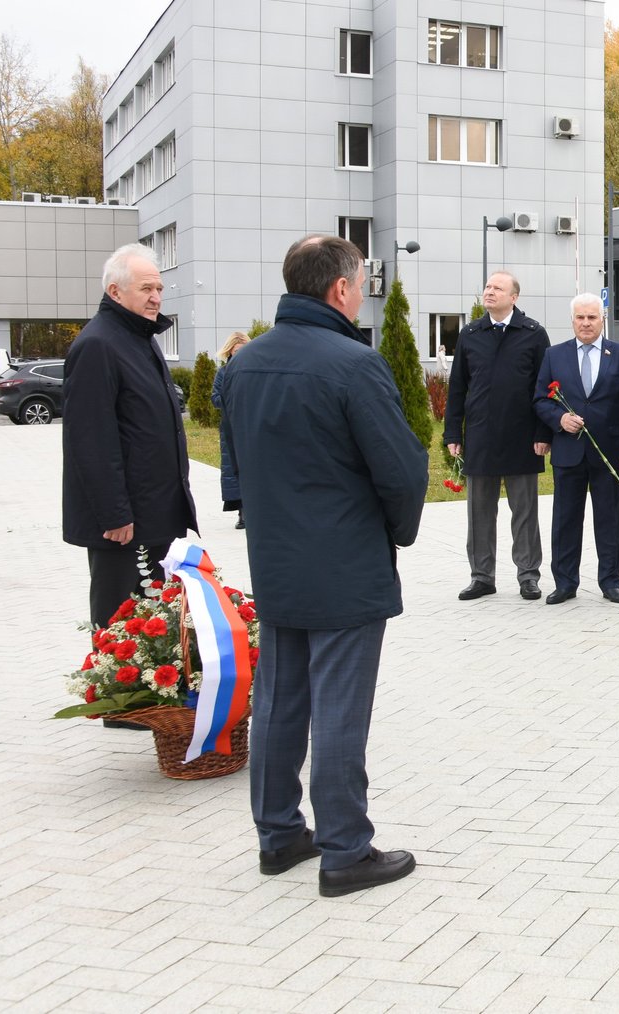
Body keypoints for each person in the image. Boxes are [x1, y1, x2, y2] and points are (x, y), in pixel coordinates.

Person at [219, 234, 428, 897]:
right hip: (344, 564)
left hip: (277, 562)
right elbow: (400, 471)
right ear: (340, 288)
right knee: (339, 708)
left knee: (280, 702)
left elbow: (236, 474)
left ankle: (278, 836)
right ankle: (345, 851)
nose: (364, 288)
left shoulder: (244, 364)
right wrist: (398, 532)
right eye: (361, 278)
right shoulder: (353, 364)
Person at [63, 245, 197, 630]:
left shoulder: (140, 336)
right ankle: (116, 695)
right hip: (124, 526)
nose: (156, 297)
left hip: (155, 515)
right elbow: (90, 438)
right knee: (121, 629)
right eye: (146, 288)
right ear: (115, 292)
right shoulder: (98, 344)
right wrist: (114, 513)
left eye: (159, 288)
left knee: (156, 628)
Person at [444, 272, 551, 602]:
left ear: (514, 297)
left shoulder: (533, 334)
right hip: (480, 436)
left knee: (525, 512)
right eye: (488, 287)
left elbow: (546, 388)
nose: (489, 292)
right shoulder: (472, 333)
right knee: (479, 512)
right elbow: (458, 387)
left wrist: (543, 432)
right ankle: (482, 576)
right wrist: (452, 432)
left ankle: (528, 576)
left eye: (497, 288)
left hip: (522, 437)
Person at [533, 294, 619, 604]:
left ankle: (610, 581)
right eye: (580, 318)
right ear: (572, 321)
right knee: (565, 519)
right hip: (568, 452)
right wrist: (560, 418)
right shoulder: (554, 355)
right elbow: (541, 399)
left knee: (609, 519)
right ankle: (565, 582)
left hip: (609, 453)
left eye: (591, 318)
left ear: (602, 320)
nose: (585, 323)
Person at [211, 330, 250, 530]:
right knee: (233, 470)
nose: (240, 354)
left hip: (251, 426)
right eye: (237, 351)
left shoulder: (253, 371)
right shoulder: (223, 373)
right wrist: (231, 397)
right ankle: (242, 512)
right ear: (230, 351)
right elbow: (215, 398)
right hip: (230, 428)